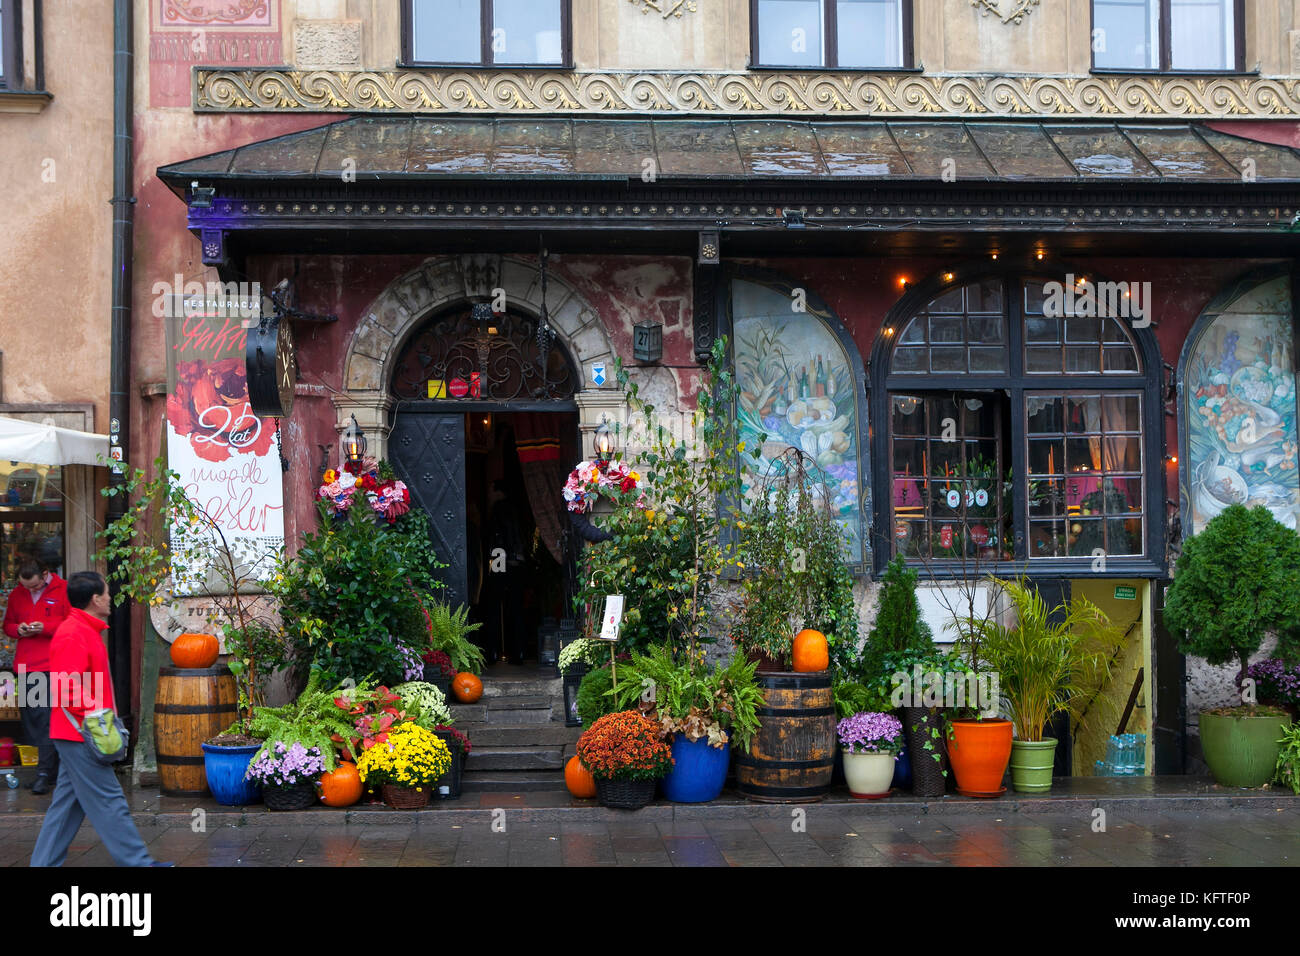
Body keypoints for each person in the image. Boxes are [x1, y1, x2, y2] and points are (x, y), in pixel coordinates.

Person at [30, 572, 169, 867]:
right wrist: (98, 713)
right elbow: (65, 685)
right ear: (95, 599)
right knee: (110, 801)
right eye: (106, 593)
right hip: (82, 732)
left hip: (75, 731)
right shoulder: (75, 632)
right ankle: (139, 864)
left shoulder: (80, 629)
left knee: (65, 809)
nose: (110, 598)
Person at [2, 560, 70, 794]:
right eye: (25, 586)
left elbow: (71, 623)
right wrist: (18, 630)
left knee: (48, 719)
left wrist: (46, 627)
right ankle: (49, 773)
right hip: (26, 664)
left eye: (34, 586)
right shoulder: (17, 594)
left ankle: (45, 773)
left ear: (45, 575)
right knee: (34, 720)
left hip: (53, 663)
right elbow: (8, 625)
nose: (29, 590)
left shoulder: (63, 590)